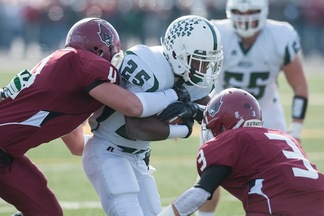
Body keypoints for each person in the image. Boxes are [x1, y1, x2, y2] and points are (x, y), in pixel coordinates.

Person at [0, 17, 188, 216]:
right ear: (98, 51)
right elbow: (132, 106)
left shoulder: (65, 78)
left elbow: (77, 145)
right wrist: (175, 94)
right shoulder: (81, 61)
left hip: (7, 155)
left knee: (46, 212)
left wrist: (118, 148)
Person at [81, 15, 224, 216]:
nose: (204, 69)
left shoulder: (188, 76)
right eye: (199, 61)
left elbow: (215, 113)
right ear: (178, 54)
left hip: (138, 157)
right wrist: (184, 129)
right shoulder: (150, 65)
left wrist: (192, 109)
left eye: (207, 62)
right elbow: (137, 128)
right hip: (109, 151)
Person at [198, 0, 309, 215]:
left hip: (266, 112)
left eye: (251, 11)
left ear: (264, 11)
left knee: (284, 171)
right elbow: (197, 80)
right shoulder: (217, 33)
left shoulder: (280, 35)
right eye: (239, 11)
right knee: (210, 174)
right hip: (222, 115)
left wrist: (296, 130)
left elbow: (299, 85)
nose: (245, 17)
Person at [158, 88, 324, 216]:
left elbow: (199, 193)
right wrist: (196, 109)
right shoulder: (285, 138)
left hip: (277, 206)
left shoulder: (234, 140)